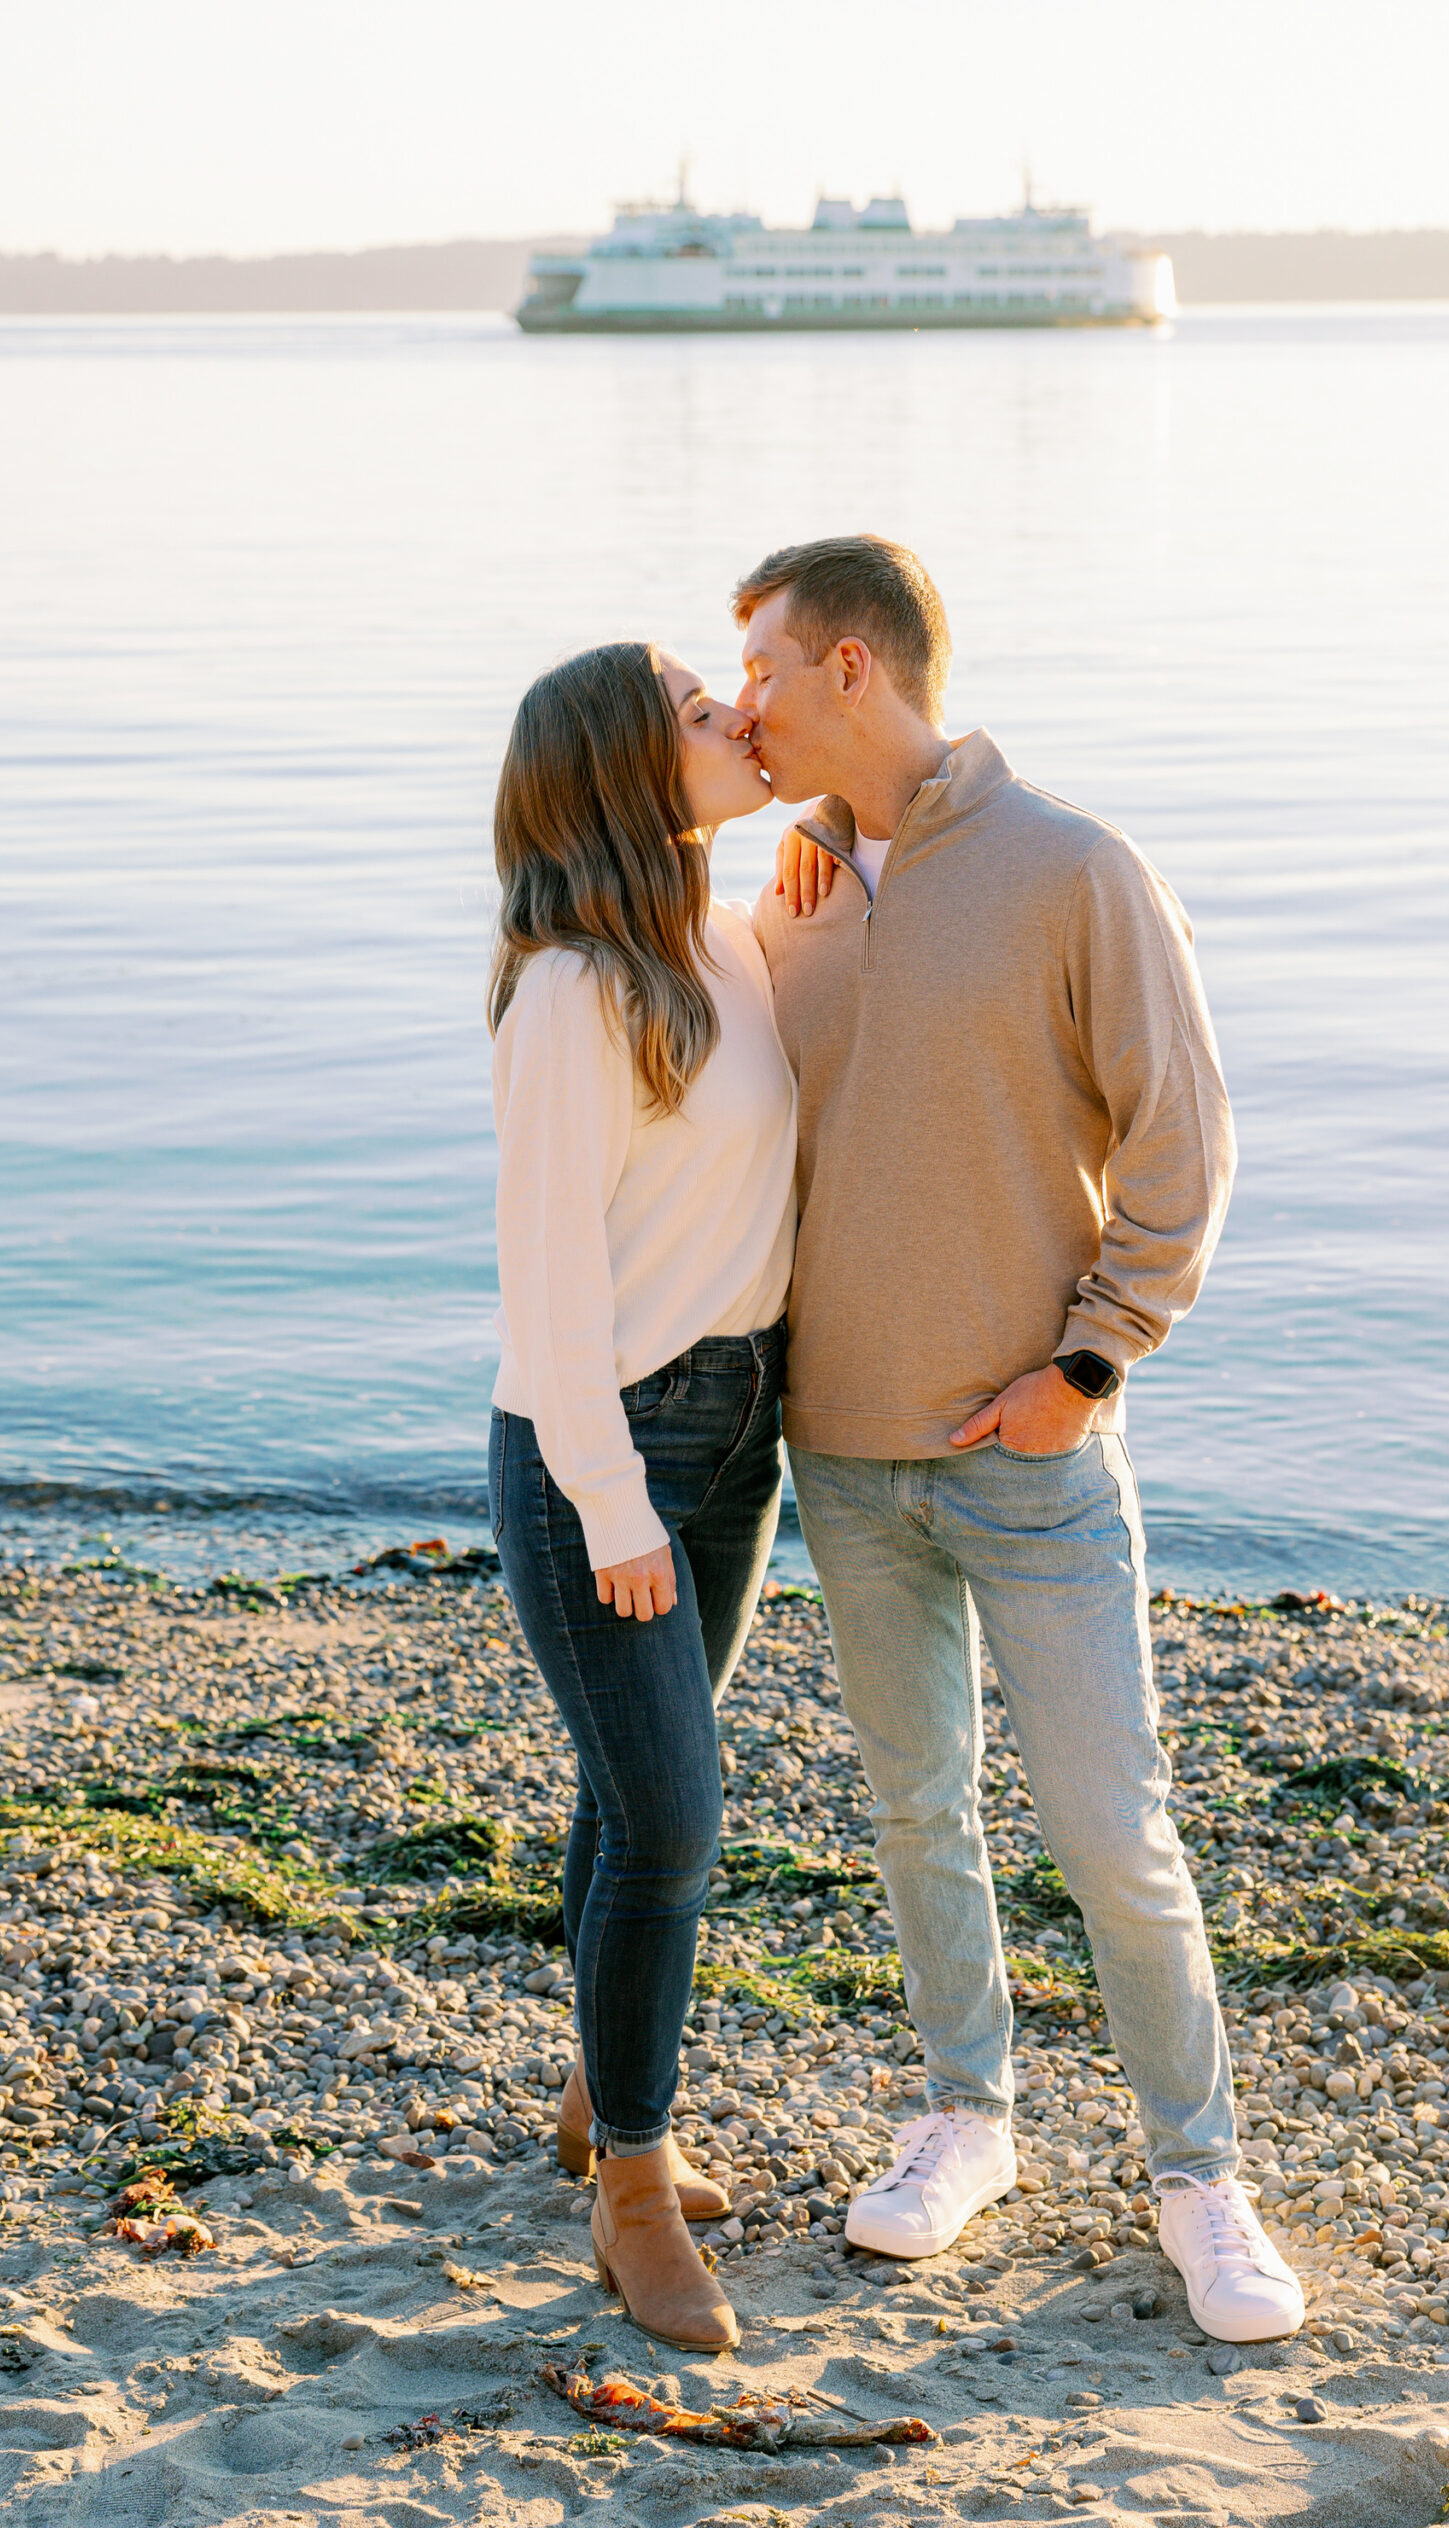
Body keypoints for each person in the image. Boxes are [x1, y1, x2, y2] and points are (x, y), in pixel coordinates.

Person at [742, 535, 1305, 2344]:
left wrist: (1090, 1363)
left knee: (1113, 1830)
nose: (735, 700)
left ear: (849, 669)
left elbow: (1183, 1148)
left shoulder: (1076, 866)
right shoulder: (798, 886)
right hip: (842, 1449)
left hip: (1029, 1450)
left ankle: (1197, 2171)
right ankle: (968, 2116)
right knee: (919, 1814)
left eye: (757, 664)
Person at [486, 639, 800, 2353]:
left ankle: (597, 2100)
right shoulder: (572, 990)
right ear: (623, 769)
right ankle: (630, 2179)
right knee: (676, 1819)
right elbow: (545, 1286)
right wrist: (610, 1507)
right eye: (697, 711)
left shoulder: (737, 939)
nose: (735, 721)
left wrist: (837, 837)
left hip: (739, 1425)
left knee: (629, 1801)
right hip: (595, 1448)